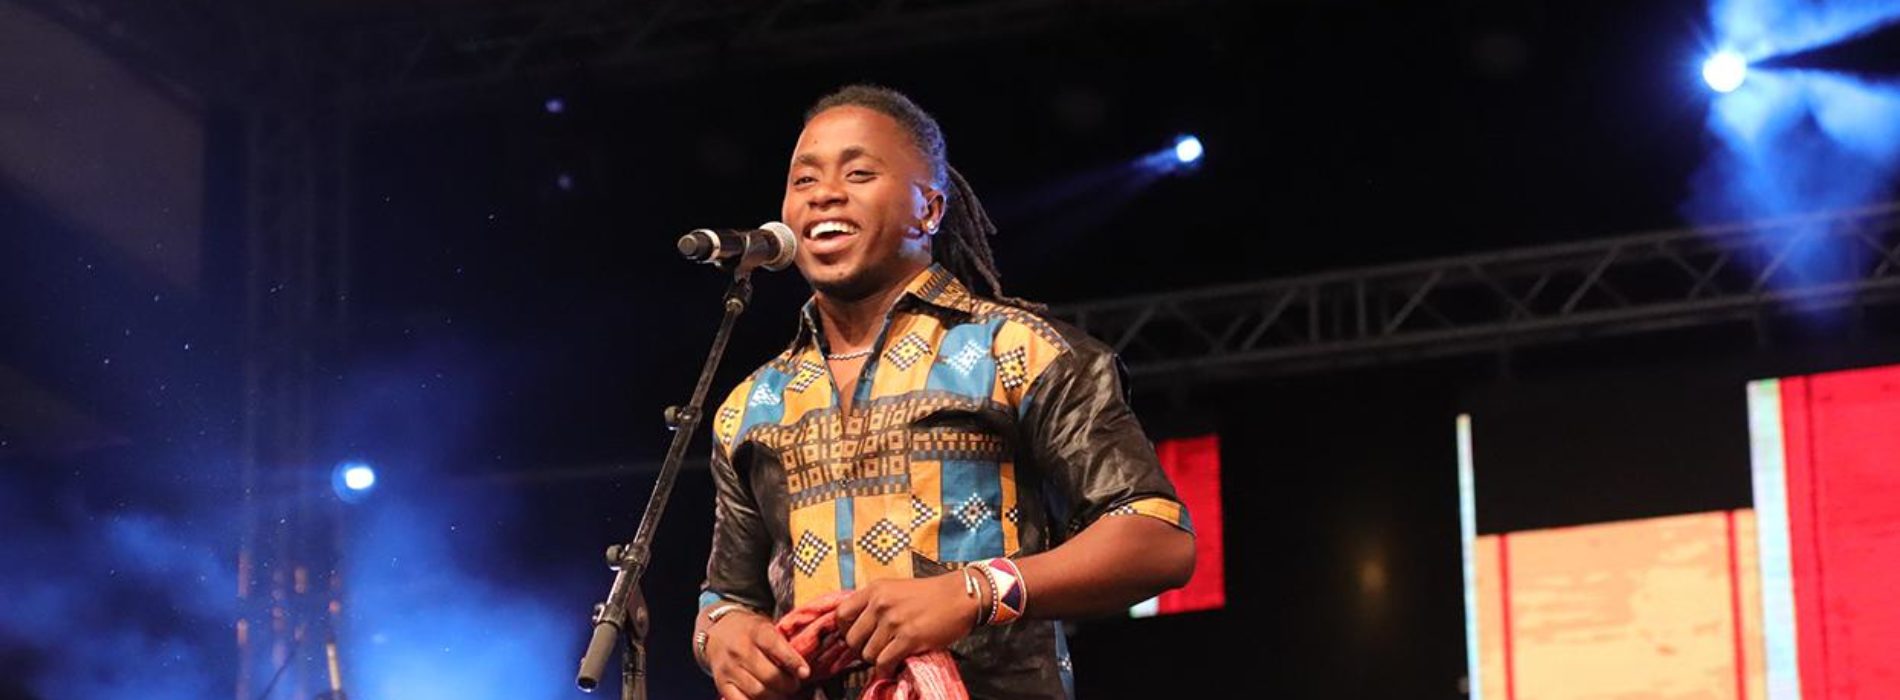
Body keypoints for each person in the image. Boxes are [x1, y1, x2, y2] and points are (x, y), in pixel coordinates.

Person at [693, 84, 1196, 700]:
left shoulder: (1021, 352)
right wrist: (724, 635)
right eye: (804, 179)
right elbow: (727, 596)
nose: (824, 193)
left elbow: (1157, 537)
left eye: (859, 173)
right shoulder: (751, 405)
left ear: (929, 210)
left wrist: (975, 591)